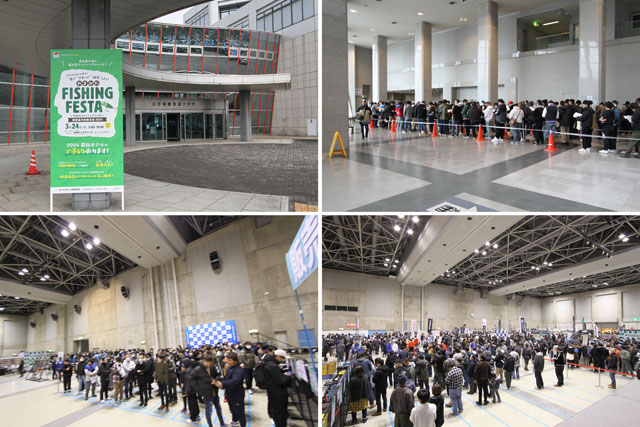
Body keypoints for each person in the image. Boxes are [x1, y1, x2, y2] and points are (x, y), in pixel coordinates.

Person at [191, 354, 225, 427]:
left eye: (209, 362)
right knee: (208, 411)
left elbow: (217, 375)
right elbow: (192, 379)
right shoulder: (198, 369)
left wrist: (216, 380)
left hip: (215, 392)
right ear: (203, 361)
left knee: (218, 408)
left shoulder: (212, 367)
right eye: (206, 362)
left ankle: (222, 423)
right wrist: (198, 389)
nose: (207, 364)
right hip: (206, 394)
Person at [214, 352, 246, 427]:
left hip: (237, 394)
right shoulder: (229, 368)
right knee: (232, 409)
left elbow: (235, 381)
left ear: (235, 360)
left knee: (239, 411)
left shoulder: (239, 370)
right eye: (227, 360)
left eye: (230, 360)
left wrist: (223, 384)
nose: (228, 362)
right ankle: (234, 421)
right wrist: (220, 379)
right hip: (229, 393)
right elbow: (226, 378)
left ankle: (242, 424)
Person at [264, 349, 292, 427]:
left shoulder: (269, 363)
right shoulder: (273, 366)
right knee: (279, 412)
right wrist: (287, 377)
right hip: (277, 393)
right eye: (282, 358)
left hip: (272, 391)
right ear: (278, 357)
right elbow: (280, 381)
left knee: (276, 410)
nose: (282, 360)